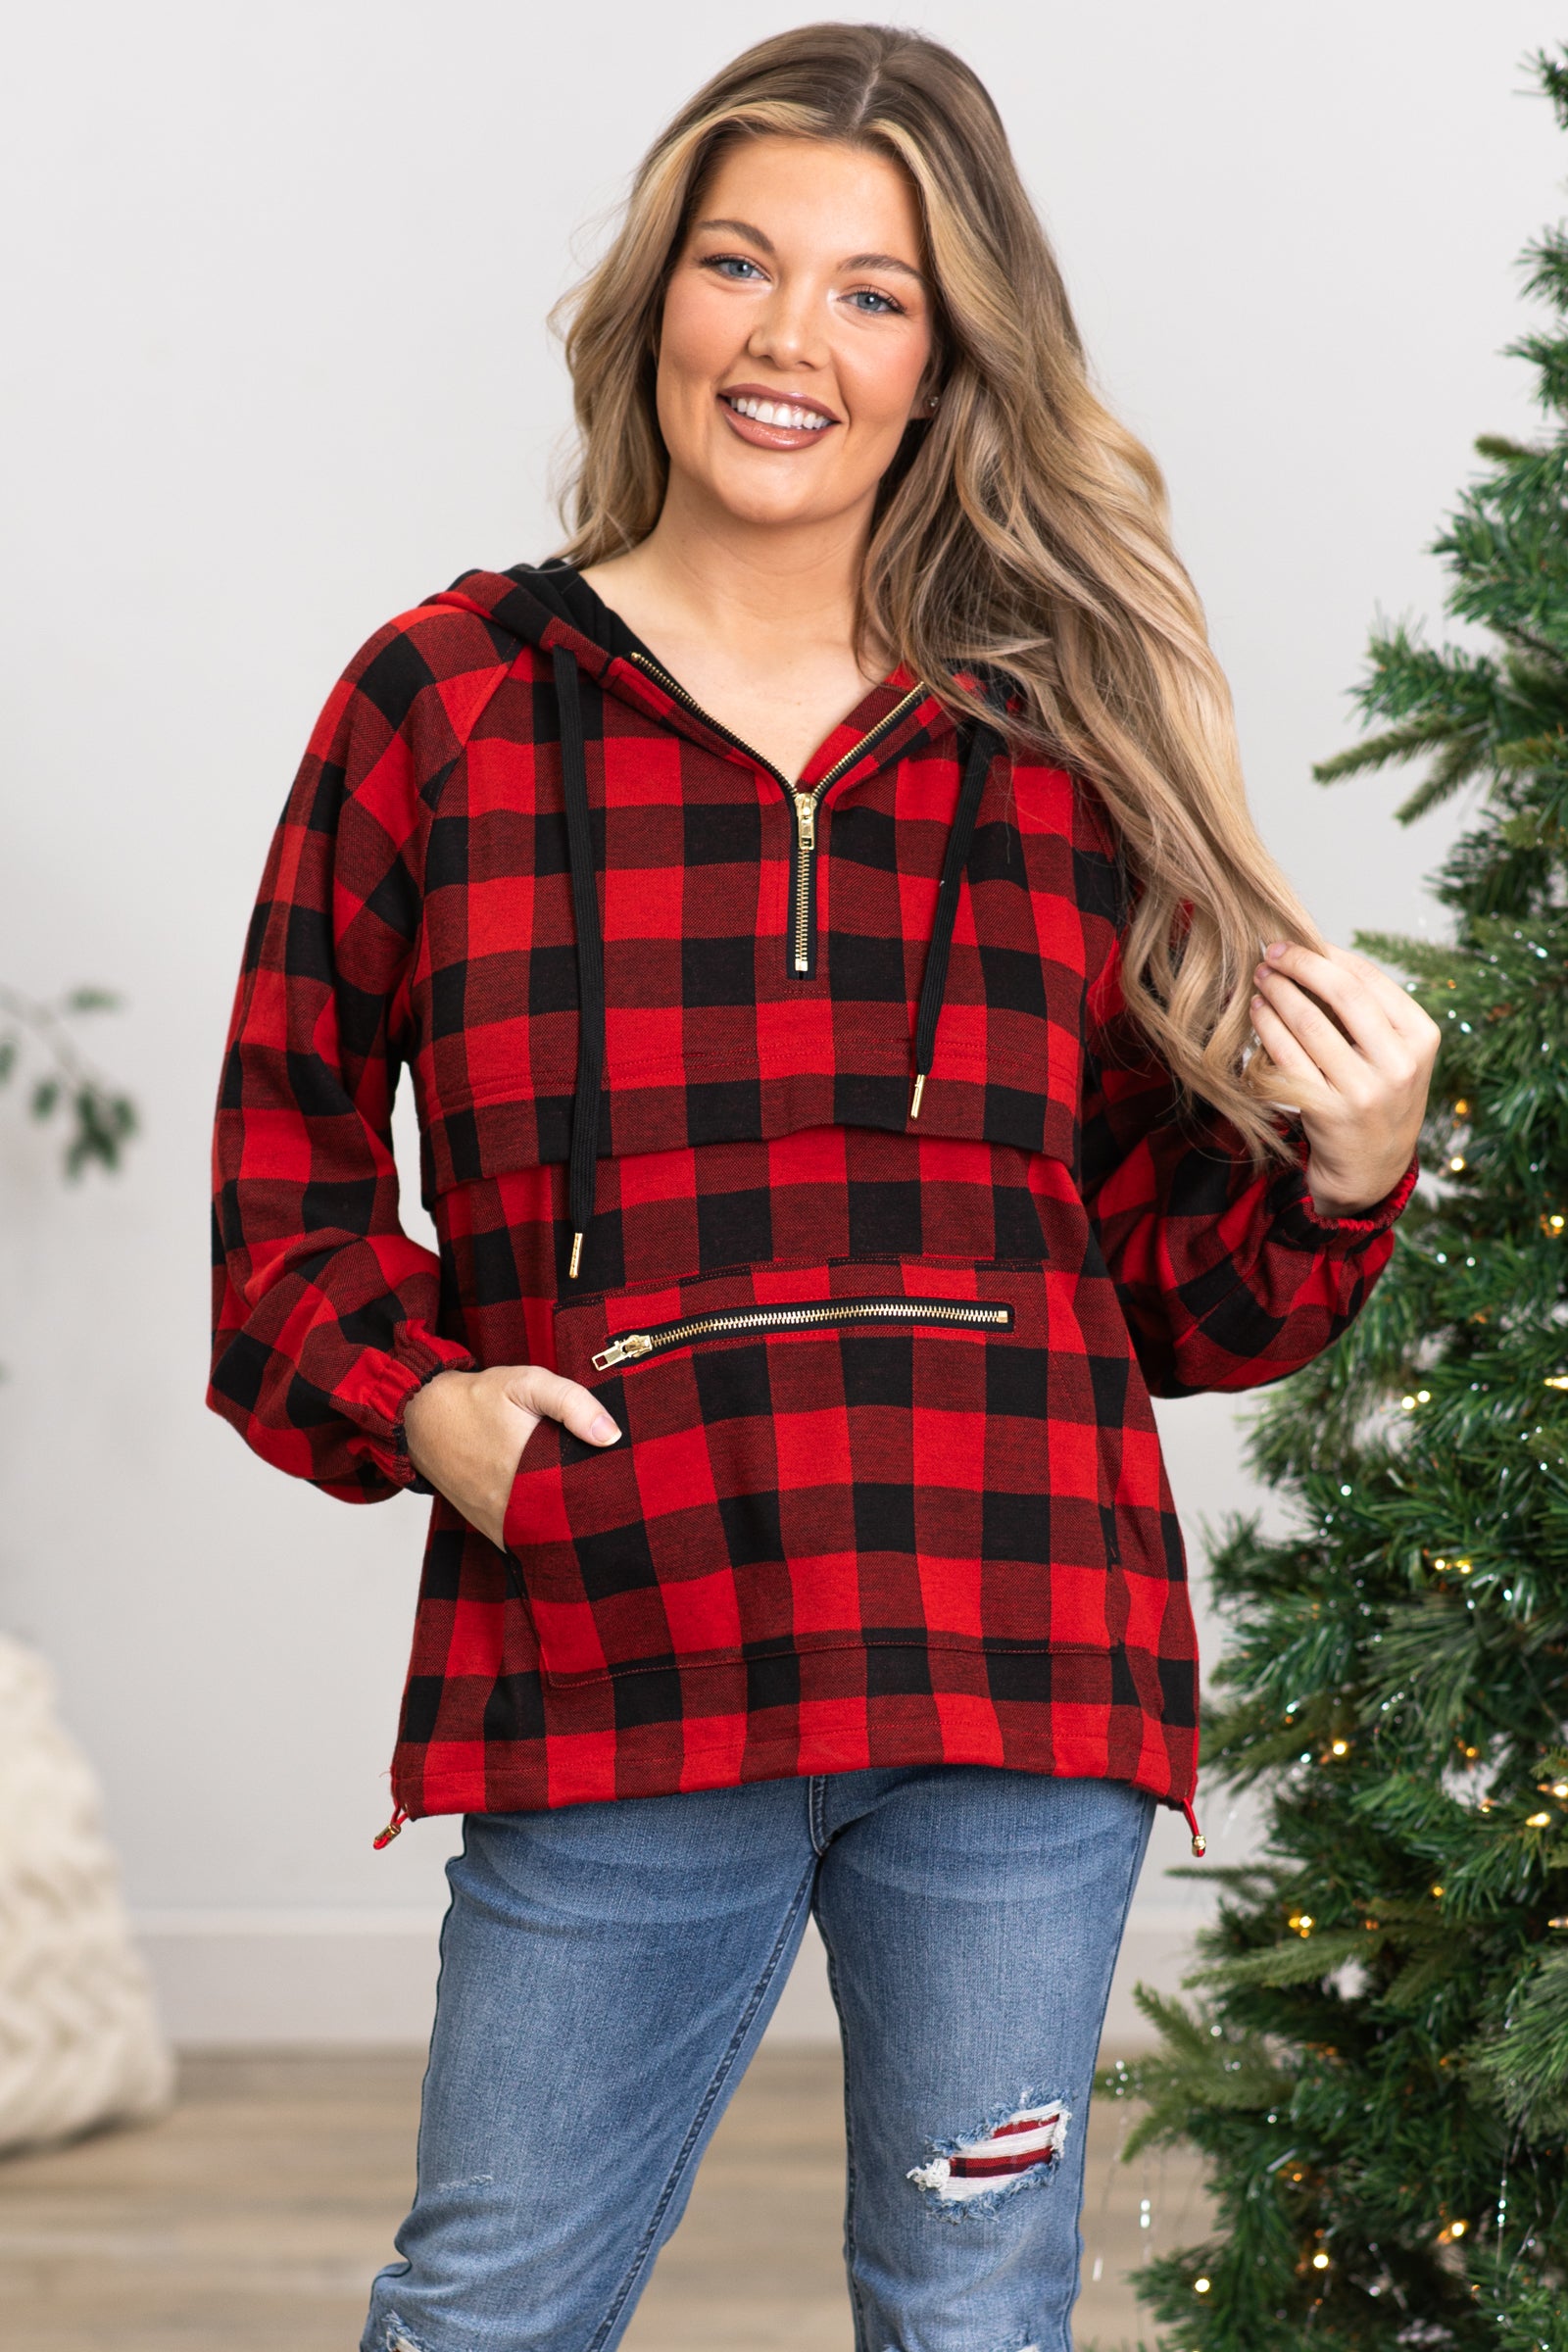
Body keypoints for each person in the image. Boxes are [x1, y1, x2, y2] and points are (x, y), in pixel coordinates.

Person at [208, 24, 1438, 2351]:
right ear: (650, 298)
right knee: (488, 2312)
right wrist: (420, 1406)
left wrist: (1345, 1176)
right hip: (617, 1638)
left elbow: (1163, 1296)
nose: (790, 338)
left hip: (1011, 1660)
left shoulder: (1062, 740)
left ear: (947, 361)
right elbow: (280, 1186)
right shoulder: (442, 703)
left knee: (974, 2318)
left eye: (873, 293)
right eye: (738, 263)